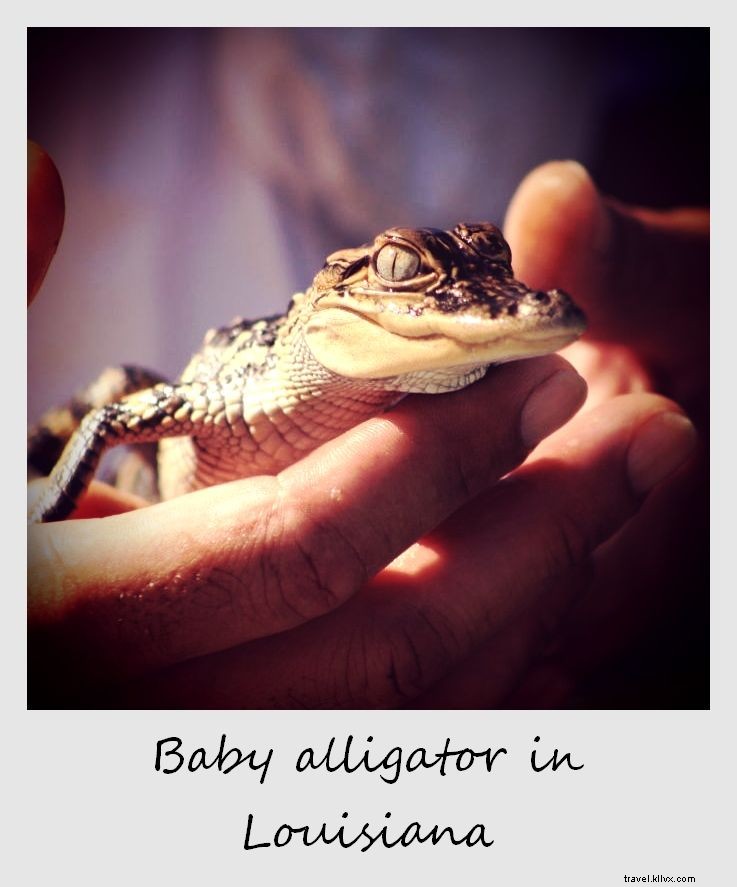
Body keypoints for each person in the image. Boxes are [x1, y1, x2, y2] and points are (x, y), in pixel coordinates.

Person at [27, 142, 707, 709]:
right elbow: (111, 419)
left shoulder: (445, 377)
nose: (475, 296)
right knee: (118, 383)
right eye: (399, 270)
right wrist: (40, 518)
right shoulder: (230, 395)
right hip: (139, 494)